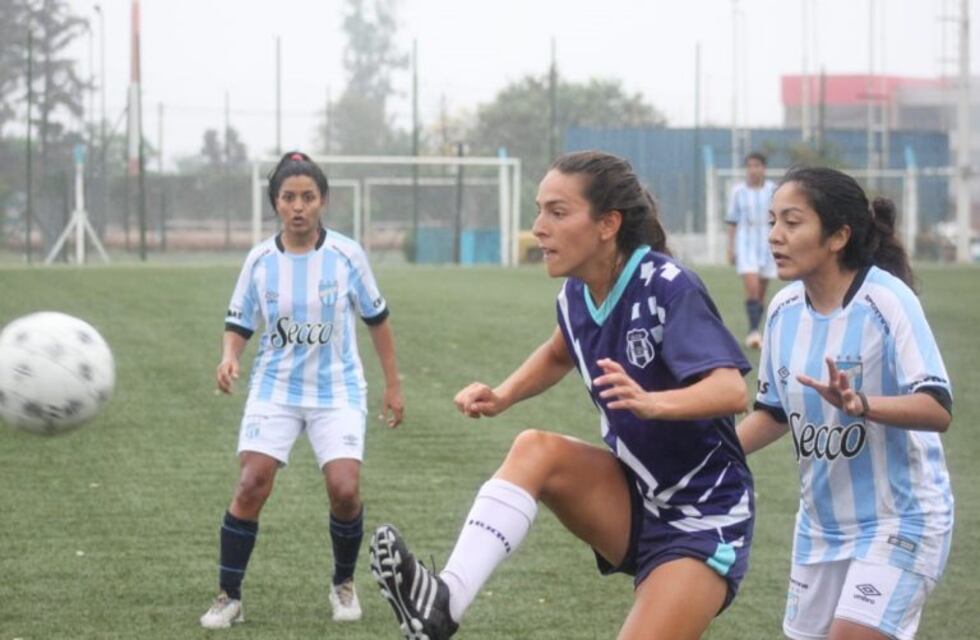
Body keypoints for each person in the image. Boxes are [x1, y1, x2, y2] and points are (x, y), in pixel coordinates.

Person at [369, 150, 755, 640]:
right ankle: (443, 604)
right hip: (636, 496)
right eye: (539, 210)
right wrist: (503, 395)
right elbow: (559, 352)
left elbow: (731, 389)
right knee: (535, 449)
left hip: (703, 518)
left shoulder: (666, 284)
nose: (539, 227)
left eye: (557, 211)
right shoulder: (576, 294)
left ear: (607, 224)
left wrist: (653, 403)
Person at [736, 167, 953, 640]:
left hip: (902, 519)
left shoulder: (887, 300)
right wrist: (702, 453)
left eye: (792, 223)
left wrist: (863, 404)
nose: (775, 236)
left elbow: (937, 407)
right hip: (820, 528)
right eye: (772, 221)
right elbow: (773, 414)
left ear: (838, 236)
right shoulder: (783, 309)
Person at [200, 151, 404, 629]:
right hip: (275, 388)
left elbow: (377, 320)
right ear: (276, 203)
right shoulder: (259, 260)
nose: (298, 206)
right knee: (251, 483)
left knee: (345, 490)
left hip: (337, 391)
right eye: (289, 197)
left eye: (307, 197)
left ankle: (343, 584)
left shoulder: (347, 255)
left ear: (323, 202)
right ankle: (229, 596)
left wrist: (393, 385)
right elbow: (238, 323)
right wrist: (230, 356)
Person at [726, 151, 777, 349]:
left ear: (764, 168)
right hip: (745, 243)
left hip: (766, 244)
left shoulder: (773, 189)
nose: (753, 169)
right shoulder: (738, 191)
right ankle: (754, 332)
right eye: (750, 166)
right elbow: (732, 221)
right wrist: (730, 248)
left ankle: (754, 329)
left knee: (761, 292)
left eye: (757, 165)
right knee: (752, 286)